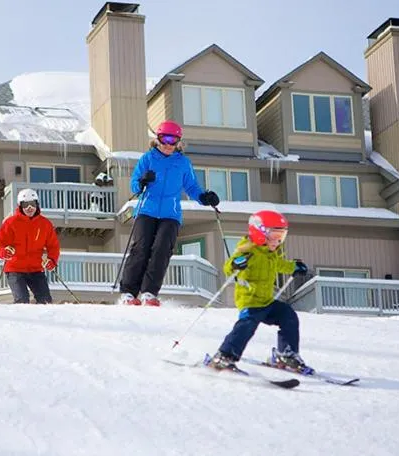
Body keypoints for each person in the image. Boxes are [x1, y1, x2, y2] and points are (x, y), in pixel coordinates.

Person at [119, 120, 220, 307]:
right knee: (141, 248)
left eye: (172, 141)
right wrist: (142, 181)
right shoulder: (147, 159)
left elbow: (191, 186)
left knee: (162, 249)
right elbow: (134, 185)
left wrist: (205, 198)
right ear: (157, 139)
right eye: (164, 139)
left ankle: (149, 292)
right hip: (147, 209)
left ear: (178, 142)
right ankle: (128, 292)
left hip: (170, 213)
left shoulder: (183, 162)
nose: (168, 144)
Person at [207, 210, 313, 374]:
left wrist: (294, 267)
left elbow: (279, 264)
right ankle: (224, 356)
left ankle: (286, 354)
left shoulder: (270, 253)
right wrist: (235, 264)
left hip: (267, 301)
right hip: (250, 301)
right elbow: (228, 266)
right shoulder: (247, 251)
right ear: (259, 232)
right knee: (247, 326)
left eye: (281, 236)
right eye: (274, 235)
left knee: (288, 315)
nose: (277, 241)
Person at [0, 188, 60, 304]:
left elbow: (53, 246)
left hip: (36, 269)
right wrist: (4, 252)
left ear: (37, 205)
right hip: (15, 269)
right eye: (25, 205)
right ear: (20, 206)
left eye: (32, 204)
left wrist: (52, 260)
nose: (29, 208)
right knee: (22, 300)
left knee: (45, 301)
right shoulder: (11, 223)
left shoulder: (45, 224)